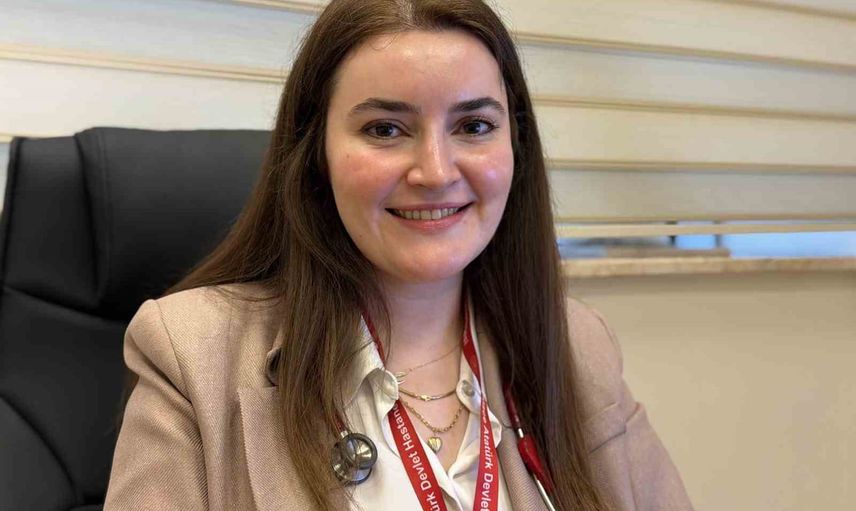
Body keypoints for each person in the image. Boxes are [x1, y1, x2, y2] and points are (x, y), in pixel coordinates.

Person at [105, 0, 693, 509]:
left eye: (474, 125)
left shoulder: (575, 345)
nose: (435, 172)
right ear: (316, 152)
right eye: (385, 129)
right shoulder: (192, 355)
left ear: (515, 144)